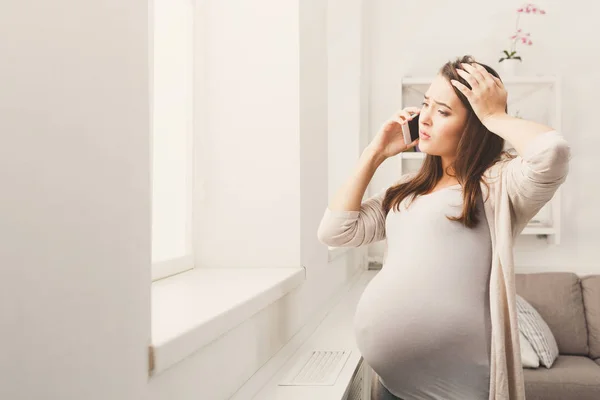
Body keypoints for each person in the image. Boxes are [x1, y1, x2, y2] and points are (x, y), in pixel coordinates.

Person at [317, 55, 571, 400]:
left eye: (444, 111)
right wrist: (375, 153)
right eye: (425, 104)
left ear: (476, 124)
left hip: (459, 387)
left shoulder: (499, 184)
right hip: (393, 385)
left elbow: (552, 152)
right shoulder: (406, 189)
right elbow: (335, 231)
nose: (425, 118)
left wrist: (495, 115)